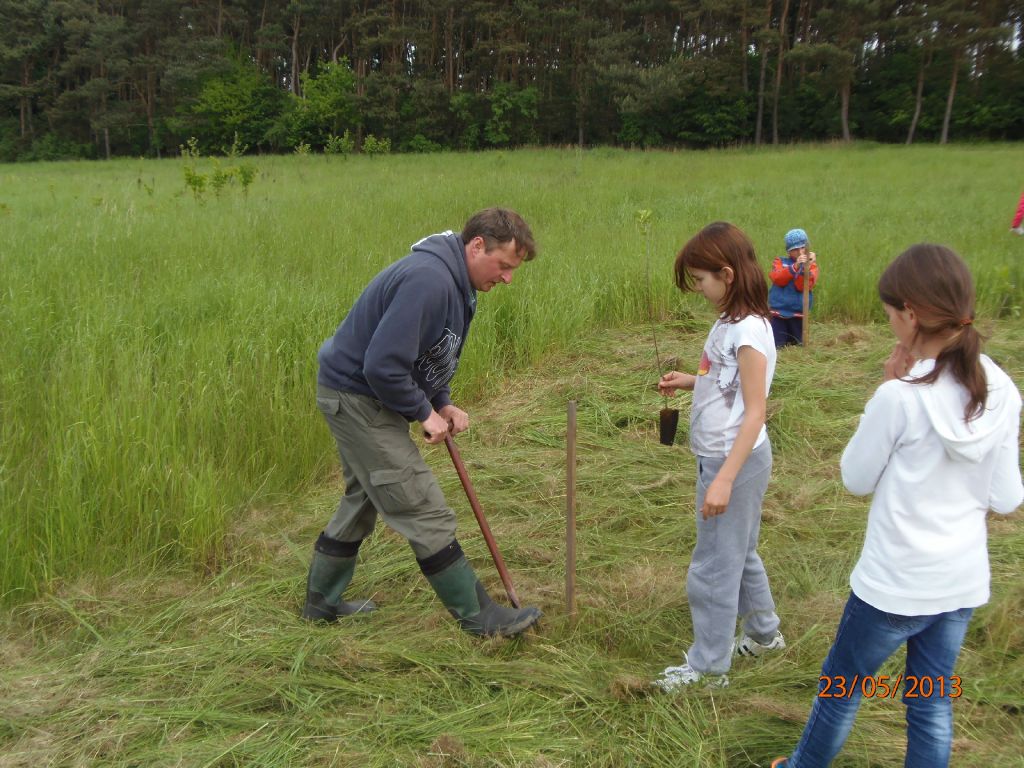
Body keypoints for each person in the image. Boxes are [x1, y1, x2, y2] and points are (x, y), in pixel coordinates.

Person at [772, 245, 1023, 767]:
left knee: (841, 689)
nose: (889, 323)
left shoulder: (900, 398)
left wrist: (885, 390)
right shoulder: (1001, 388)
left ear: (910, 313)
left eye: (889, 314)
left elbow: (855, 479)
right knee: (931, 702)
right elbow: (1006, 497)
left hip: (893, 585)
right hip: (959, 583)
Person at [303, 207, 543, 637]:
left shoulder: (457, 283)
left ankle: (321, 605)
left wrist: (441, 402)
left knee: (364, 498)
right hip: (357, 397)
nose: (508, 278)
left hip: (367, 394)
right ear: (477, 246)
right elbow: (382, 365)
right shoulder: (430, 281)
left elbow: (425, 354)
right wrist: (423, 412)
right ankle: (479, 618)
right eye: (504, 265)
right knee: (421, 503)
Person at [653, 221, 785, 690]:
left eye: (701, 280)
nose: (698, 289)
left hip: (734, 462)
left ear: (727, 274)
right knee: (738, 552)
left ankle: (708, 668)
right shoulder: (731, 321)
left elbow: (755, 411)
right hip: (725, 459)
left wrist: (725, 478)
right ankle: (764, 635)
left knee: (712, 566)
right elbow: (728, 383)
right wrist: (692, 381)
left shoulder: (748, 332)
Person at [769, 228, 819, 347]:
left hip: (799, 314)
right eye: (795, 249)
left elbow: (802, 287)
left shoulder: (812, 267)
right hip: (779, 313)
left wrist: (806, 267)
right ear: (789, 251)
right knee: (777, 344)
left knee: (798, 344)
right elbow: (778, 279)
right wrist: (795, 266)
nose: (800, 252)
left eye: (803, 248)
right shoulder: (779, 262)